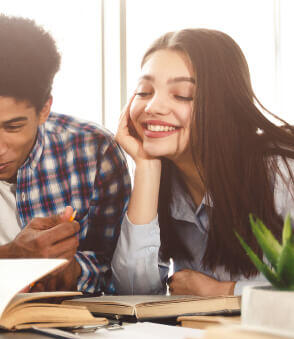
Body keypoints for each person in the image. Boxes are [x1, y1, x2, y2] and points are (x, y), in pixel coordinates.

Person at [0, 15, 131, 294]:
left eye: (13, 127)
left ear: (44, 109)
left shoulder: (95, 151)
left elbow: (119, 271)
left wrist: (74, 271)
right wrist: (10, 258)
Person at [112, 28, 294, 296]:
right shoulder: (157, 181)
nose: (152, 107)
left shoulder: (282, 170)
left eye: (182, 95)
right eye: (144, 91)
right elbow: (133, 296)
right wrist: (147, 166)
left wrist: (226, 292)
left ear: (224, 104)